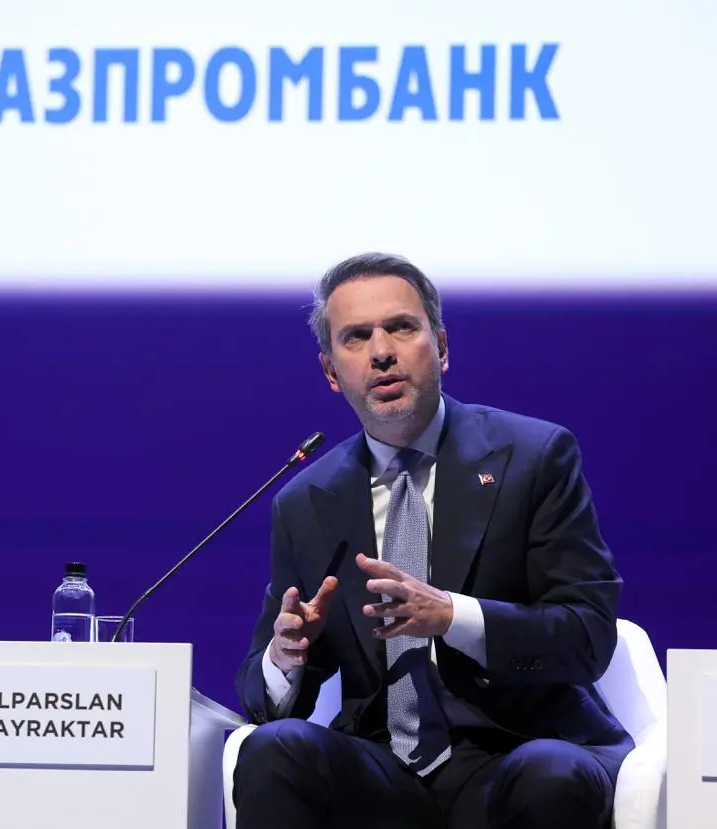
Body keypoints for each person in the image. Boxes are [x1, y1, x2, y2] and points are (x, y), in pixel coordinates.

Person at [232, 254, 632, 829]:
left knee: (553, 773)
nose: (381, 352)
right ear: (330, 371)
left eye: (400, 327)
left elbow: (588, 635)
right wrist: (285, 657)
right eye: (356, 337)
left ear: (441, 347)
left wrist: (452, 616)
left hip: (519, 750)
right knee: (274, 750)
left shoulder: (534, 458)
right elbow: (262, 695)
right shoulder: (306, 502)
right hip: (382, 769)